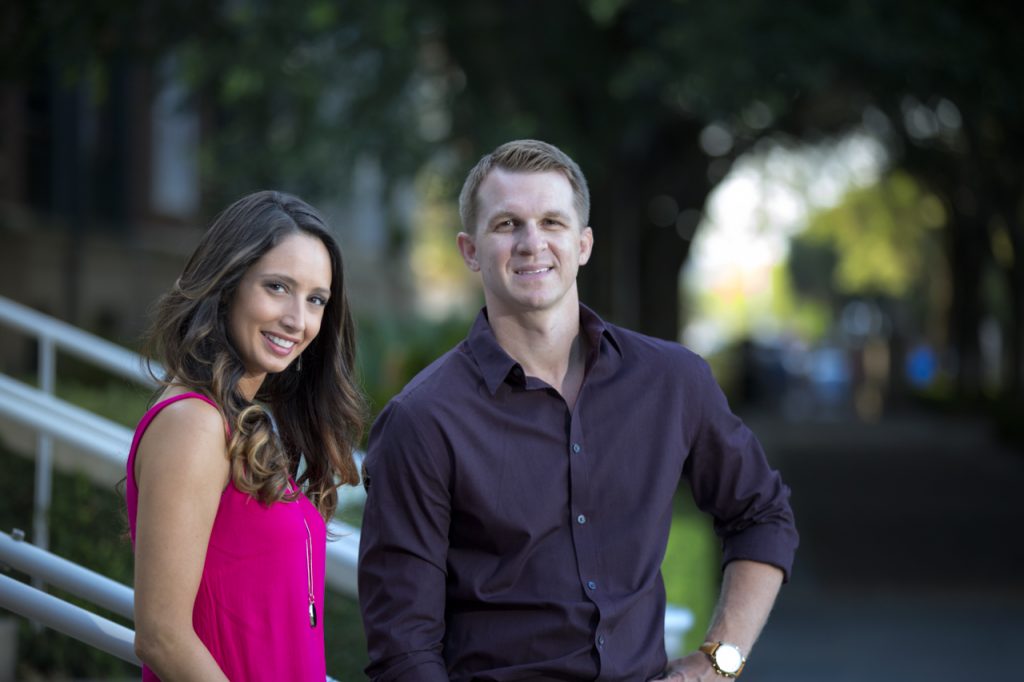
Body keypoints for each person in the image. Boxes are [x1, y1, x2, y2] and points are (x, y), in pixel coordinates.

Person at [358, 140, 798, 681]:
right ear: (470, 250)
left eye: (552, 222)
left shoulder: (672, 382)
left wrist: (718, 662)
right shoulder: (423, 421)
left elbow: (761, 514)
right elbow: (405, 649)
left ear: (583, 243)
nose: (531, 242)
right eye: (506, 225)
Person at [126, 190, 365, 680]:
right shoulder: (194, 424)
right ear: (227, 285)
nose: (298, 321)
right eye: (277, 287)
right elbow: (161, 635)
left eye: (316, 299)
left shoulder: (244, 423)